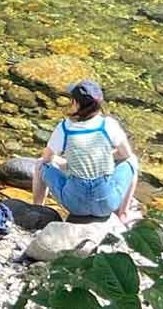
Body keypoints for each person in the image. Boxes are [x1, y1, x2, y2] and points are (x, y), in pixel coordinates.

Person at [29, 79, 140, 222]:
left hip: (75, 206)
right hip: (106, 205)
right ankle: (123, 214)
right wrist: (103, 156)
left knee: (39, 165)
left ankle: (38, 209)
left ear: (76, 104)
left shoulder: (65, 127)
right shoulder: (108, 125)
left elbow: (47, 159)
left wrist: (66, 164)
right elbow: (125, 155)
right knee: (132, 160)